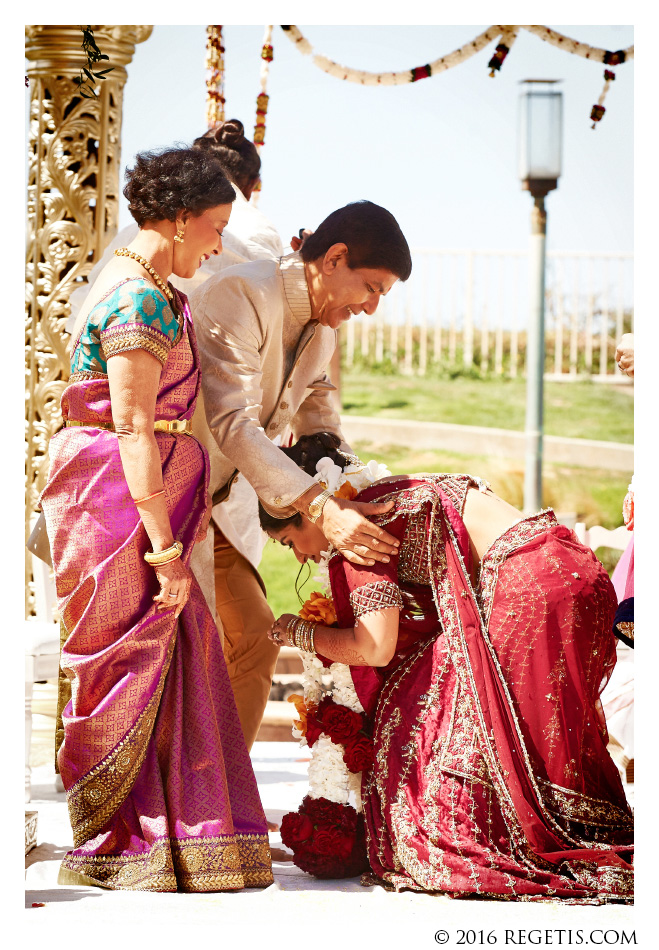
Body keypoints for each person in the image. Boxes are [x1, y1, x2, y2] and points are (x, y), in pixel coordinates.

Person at [261, 433, 634, 902]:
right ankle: (586, 836)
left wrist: (298, 633)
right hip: (577, 571)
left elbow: (374, 647)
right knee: (549, 754)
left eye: (290, 540)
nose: (299, 556)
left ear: (315, 508)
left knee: (451, 777)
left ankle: (546, 844)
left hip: (531, 592)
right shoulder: (391, 490)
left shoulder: (356, 528)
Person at [39, 146, 273, 892]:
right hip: (118, 504)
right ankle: (124, 838)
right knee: (126, 662)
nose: (216, 243)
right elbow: (133, 427)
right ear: (175, 219)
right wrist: (166, 552)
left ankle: (166, 834)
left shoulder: (155, 288)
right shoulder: (137, 299)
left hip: (142, 495)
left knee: (167, 660)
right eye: (211, 227)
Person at [190, 201, 412, 750]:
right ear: (334, 259)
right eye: (372, 287)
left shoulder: (323, 335)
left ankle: (225, 805)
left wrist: (364, 495)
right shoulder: (241, 294)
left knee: (255, 640)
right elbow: (232, 424)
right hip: (157, 508)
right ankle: (173, 816)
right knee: (185, 654)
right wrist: (320, 508)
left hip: (210, 509)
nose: (373, 307)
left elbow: (323, 430)